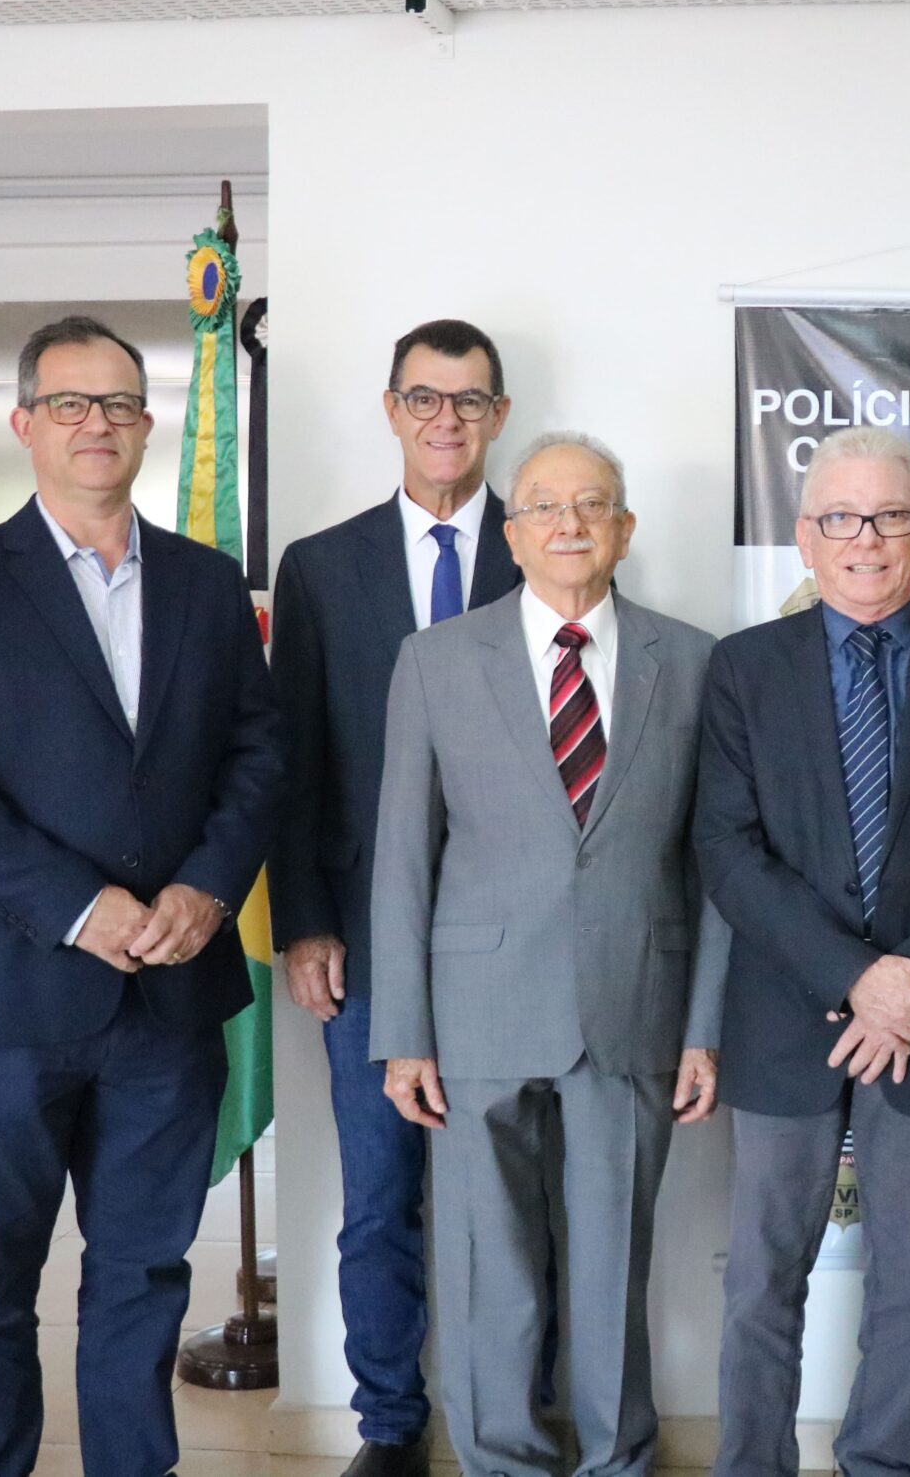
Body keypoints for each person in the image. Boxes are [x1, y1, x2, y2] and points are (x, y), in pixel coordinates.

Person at [0, 314, 282, 1477]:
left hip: (170, 997)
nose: (97, 424)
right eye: (71, 404)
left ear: (148, 426)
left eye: (118, 404)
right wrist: (76, 906)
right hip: (0, 1002)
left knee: (146, 1274)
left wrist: (208, 889)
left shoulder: (211, 586)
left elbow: (259, 755)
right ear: (23, 426)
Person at [370, 430, 728, 1477]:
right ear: (512, 532)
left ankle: (617, 1459)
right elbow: (400, 855)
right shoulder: (436, 660)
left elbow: (716, 866)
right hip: (474, 1008)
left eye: (592, 503)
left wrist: (705, 1026)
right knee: (490, 1266)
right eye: (543, 506)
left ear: (624, 528)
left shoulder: (694, 660)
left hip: (637, 1002)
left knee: (614, 1259)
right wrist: (403, 1034)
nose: (569, 522)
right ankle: (501, 1459)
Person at [696, 426, 910, 1477]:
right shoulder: (742, 669)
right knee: (759, 1277)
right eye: (841, 518)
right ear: (804, 537)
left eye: (889, 517)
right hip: (790, 1016)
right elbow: (726, 850)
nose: (866, 540)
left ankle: (883, 1462)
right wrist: (854, 979)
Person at [270, 317, 521, 1476]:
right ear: (390, 410)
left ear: (498, 418)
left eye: (468, 401)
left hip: (512, 940)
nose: (446, 421)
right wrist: (308, 918)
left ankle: (507, 1413)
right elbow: (296, 758)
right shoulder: (322, 568)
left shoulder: (548, 547)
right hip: (366, 937)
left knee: (510, 1198)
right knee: (380, 1196)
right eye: (424, 399)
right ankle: (388, 1425)